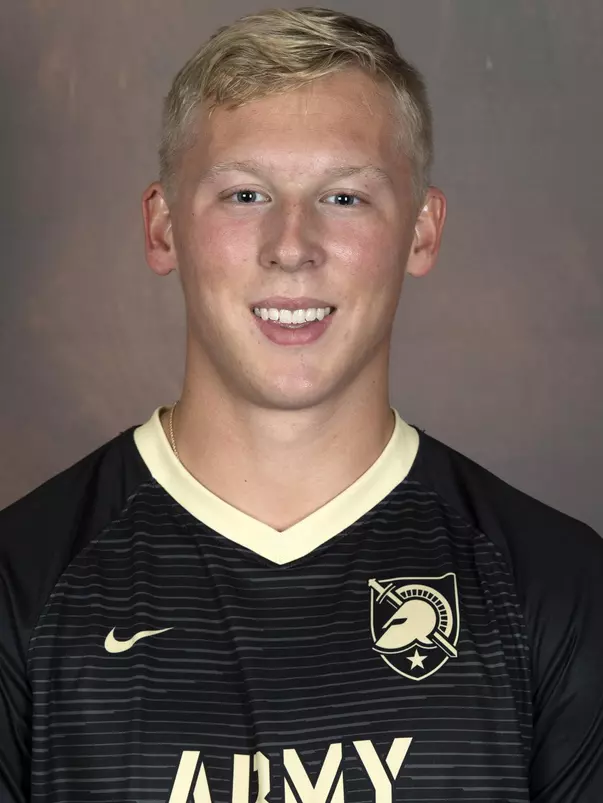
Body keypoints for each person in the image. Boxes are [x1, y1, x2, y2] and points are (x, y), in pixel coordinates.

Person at [1, 5, 602, 801]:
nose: (291, 245)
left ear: (422, 232)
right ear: (163, 228)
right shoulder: (22, 584)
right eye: (244, 194)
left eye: (344, 197)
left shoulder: (554, 586)